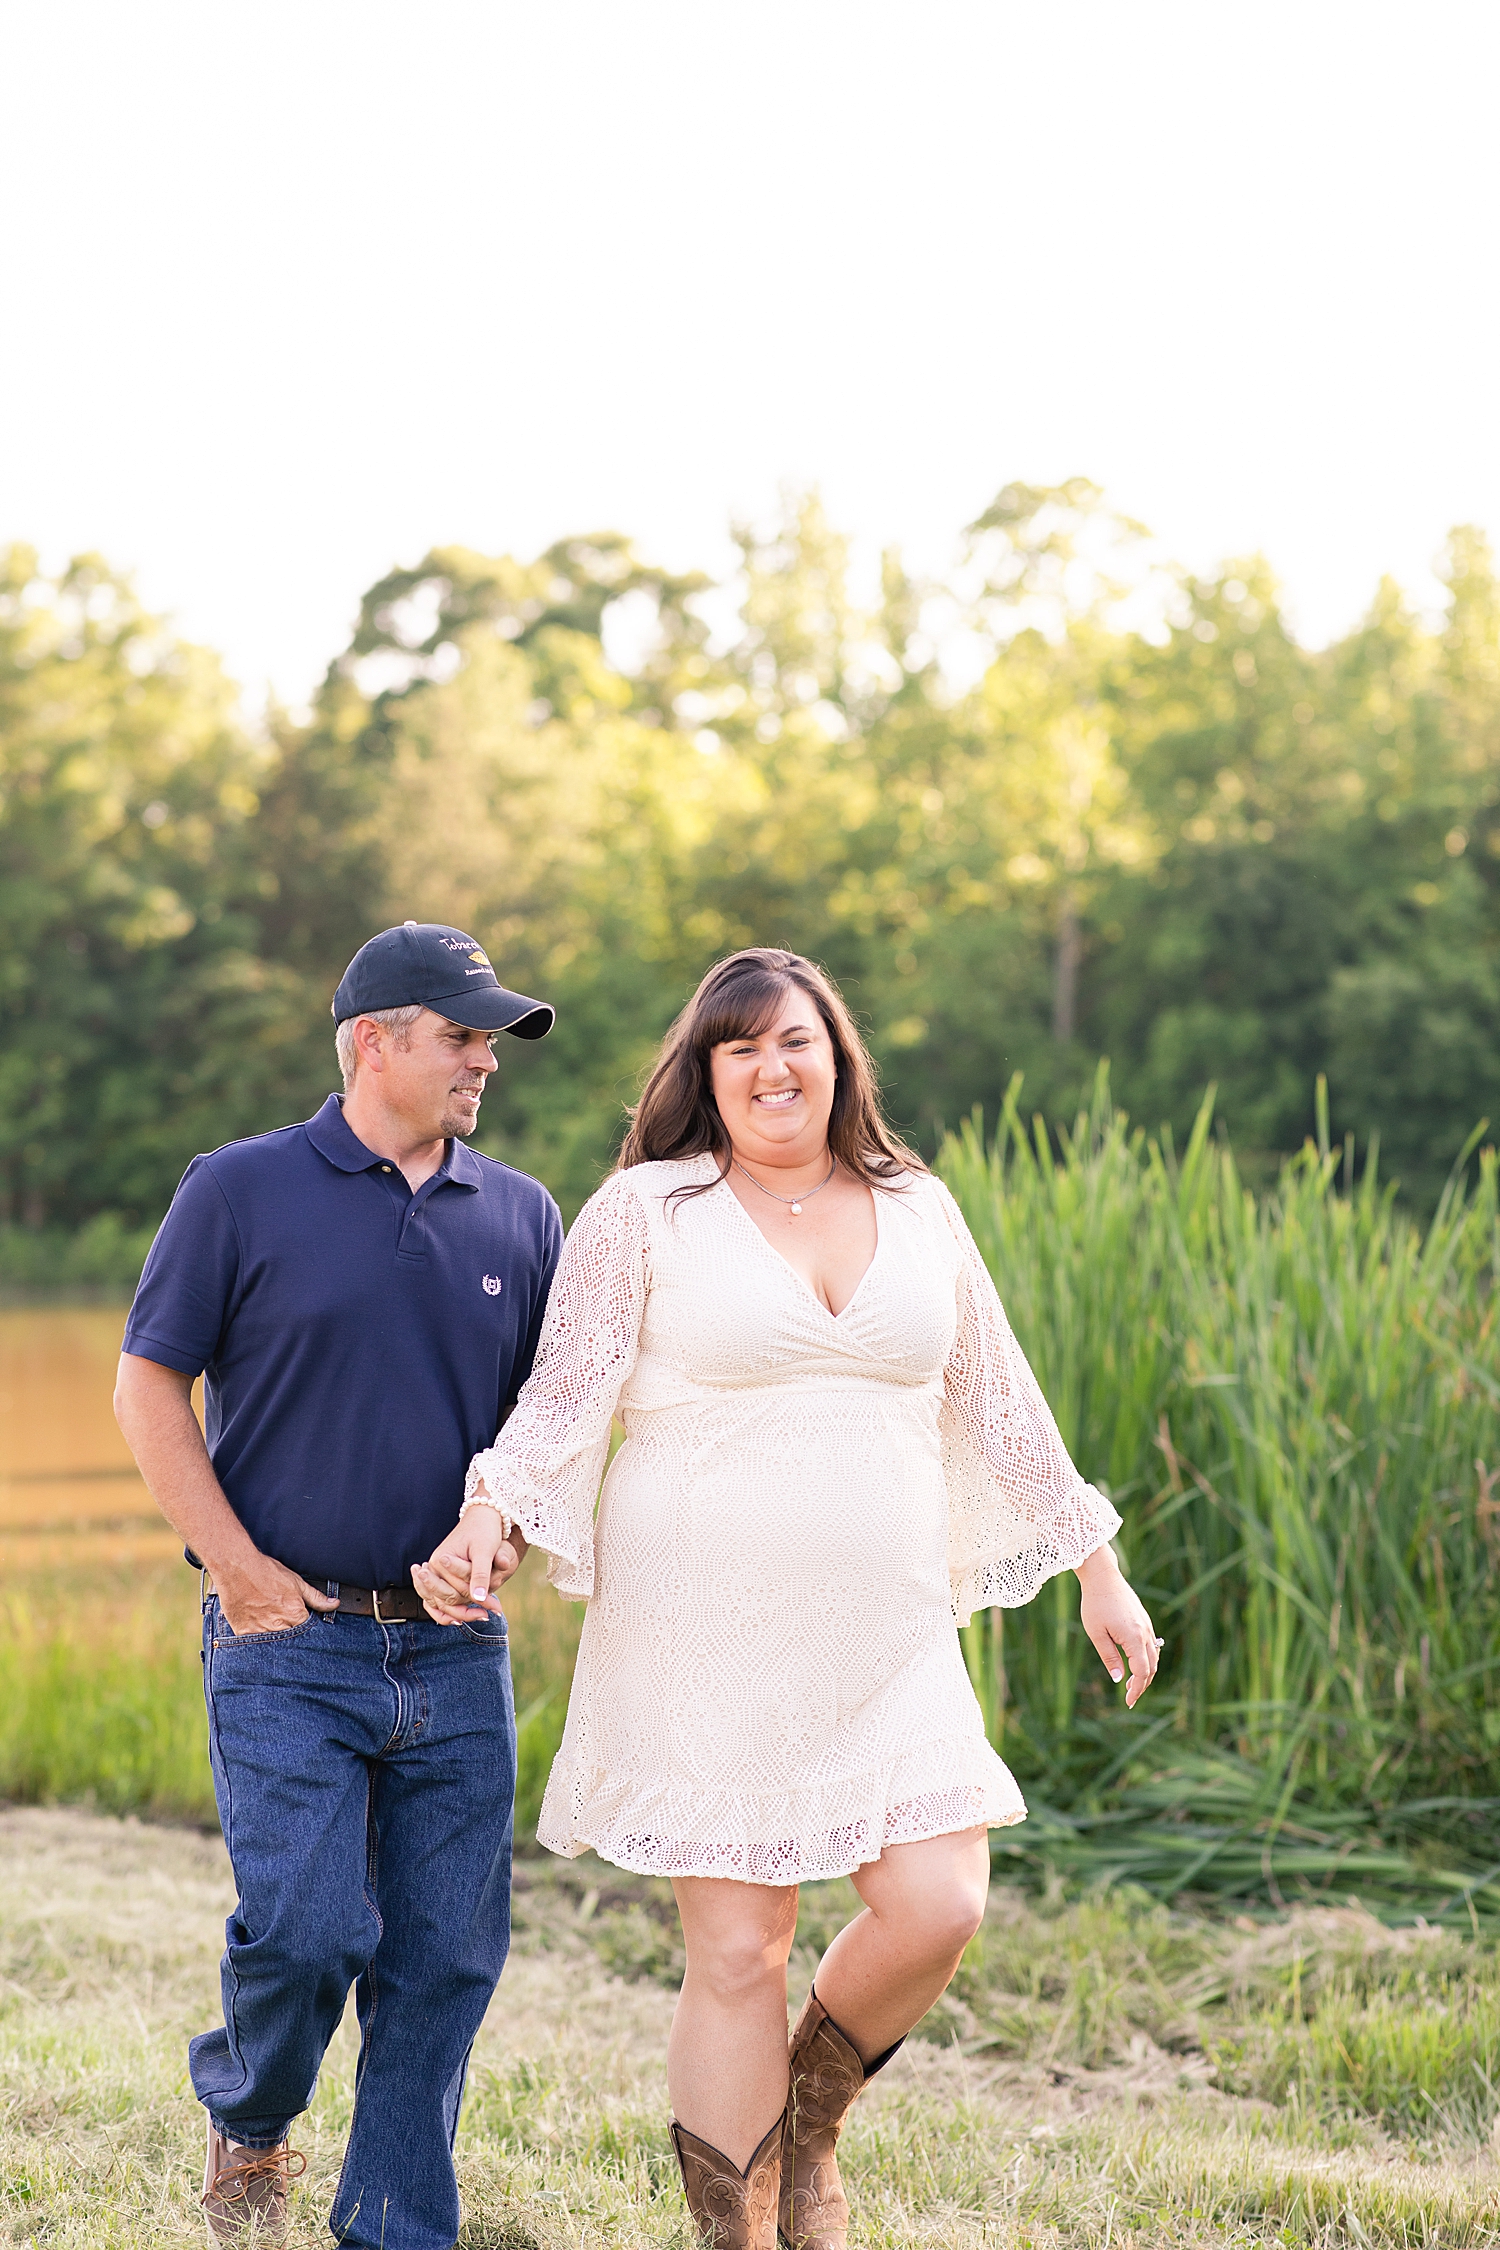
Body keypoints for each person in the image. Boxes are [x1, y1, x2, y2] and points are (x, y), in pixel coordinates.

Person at [414, 946, 1162, 2250]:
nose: (774, 1066)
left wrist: (1094, 1557)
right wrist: (492, 1509)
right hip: (698, 1626)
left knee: (941, 1898)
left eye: (796, 1040)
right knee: (739, 1950)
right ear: (707, 1074)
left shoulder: (916, 1204)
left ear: (837, 1058)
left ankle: (808, 2121)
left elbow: (998, 1391)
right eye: (742, 1046)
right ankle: (742, 2230)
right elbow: (566, 1392)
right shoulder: (649, 1208)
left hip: (886, 1632)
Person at [113, 922, 561, 2250]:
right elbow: (149, 1383)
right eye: (460, 1032)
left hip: (453, 1648)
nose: (485, 1057)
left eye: (490, 1037)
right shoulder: (239, 1189)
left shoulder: (524, 1214)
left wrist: (506, 1532)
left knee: (444, 1961)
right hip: (284, 1638)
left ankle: (394, 2225)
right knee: (308, 1930)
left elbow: (541, 1429)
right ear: (373, 1041)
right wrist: (237, 1568)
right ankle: (252, 2109)